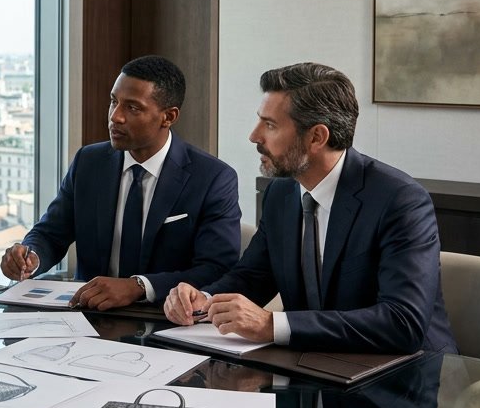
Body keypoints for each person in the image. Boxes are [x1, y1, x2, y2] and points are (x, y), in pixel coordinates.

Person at [163, 62, 457, 355]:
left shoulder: (400, 201)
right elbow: (253, 276)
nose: (254, 136)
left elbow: (402, 323)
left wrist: (271, 325)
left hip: (406, 376)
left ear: (317, 137)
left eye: (270, 125)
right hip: (317, 364)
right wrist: (204, 299)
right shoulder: (281, 192)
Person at [0, 55, 241, 310]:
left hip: (162, 319)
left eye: (132, 108)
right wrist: (31, 256)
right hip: (88, 315)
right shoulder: (89, 162)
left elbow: (216, 269)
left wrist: (138, 286)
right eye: (114, 102)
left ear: (168, 117)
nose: (116, 117)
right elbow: (51, 233)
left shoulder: (213, 178)